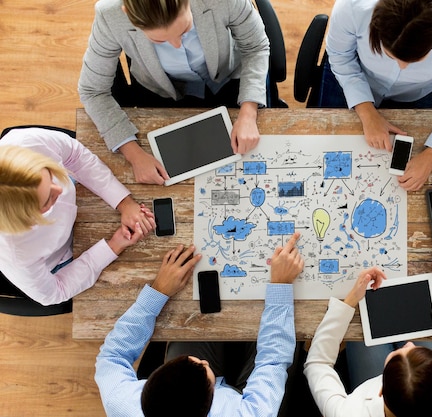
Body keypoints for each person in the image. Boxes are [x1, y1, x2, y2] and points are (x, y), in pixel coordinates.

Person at [95, 232, 304, 417]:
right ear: (210, 399)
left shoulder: (122, 403)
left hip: (191, 394)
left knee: (194, 322)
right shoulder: (251, 413)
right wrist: (281, 285)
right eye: (203, 367)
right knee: (288, 343)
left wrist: (158, 290)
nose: (202, 361)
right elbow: (273, 361)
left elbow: (112, 356)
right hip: (241, 401)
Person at [78, 0, 270, 185]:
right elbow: (92, 91)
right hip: (161, 92)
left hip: (227, 80)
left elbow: (255, 47)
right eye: (159, 40)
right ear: (128, 15)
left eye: (185, 31)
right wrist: (134, 155)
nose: (177, 45)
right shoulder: (109, 15)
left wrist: (248, 113)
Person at [323, 0, 432, 191]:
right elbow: (340, 56)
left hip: (427, 89)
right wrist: (366, 111)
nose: (402, 67)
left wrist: (431, 155)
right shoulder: (352, 6)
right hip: (356, 74)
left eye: (415, 60)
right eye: (390, 55)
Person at [0, 127, 154, 306]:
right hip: (61, 258)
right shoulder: (16, 253)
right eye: (47, 200)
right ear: (25, 219)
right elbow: (55, 292)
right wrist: (113, 246)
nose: (60, 189)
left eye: (49, 176)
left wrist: (124, 203)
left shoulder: (24, 142)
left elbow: (75, 155)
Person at [304, 267, 432, 417]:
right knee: (423, 318)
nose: (409, 344)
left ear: (380, 390)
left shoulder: (349, 412)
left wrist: (349, 301)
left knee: (363, 324)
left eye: (396, 355)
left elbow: (317, 363)